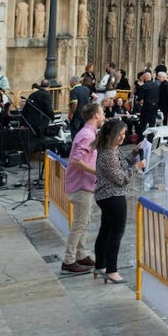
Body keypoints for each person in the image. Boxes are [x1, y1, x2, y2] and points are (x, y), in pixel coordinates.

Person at [92, 118, 146, 284]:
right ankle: (112, 270)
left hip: (107, 196)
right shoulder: (108, 154)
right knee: (116, 233)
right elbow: (121, 178)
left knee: (106, 230)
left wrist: (134, 153)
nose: (123, 137)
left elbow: (121, 165)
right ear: (111, 135)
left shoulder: (111, 149)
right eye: (120, 134)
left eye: (124, 134)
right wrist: (136, 168)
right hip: (112, 196)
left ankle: (100, 265)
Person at [62, 102, 105, 274]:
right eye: (101, 113)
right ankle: (69, 259)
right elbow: (76, 160)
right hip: (81, 184)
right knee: (80, 223)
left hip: (84, 184)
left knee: (84, 221)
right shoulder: (87, 135)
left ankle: (81, 254)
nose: (103, 117)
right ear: (95, 115)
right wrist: (96, 172)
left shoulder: (88, 133)